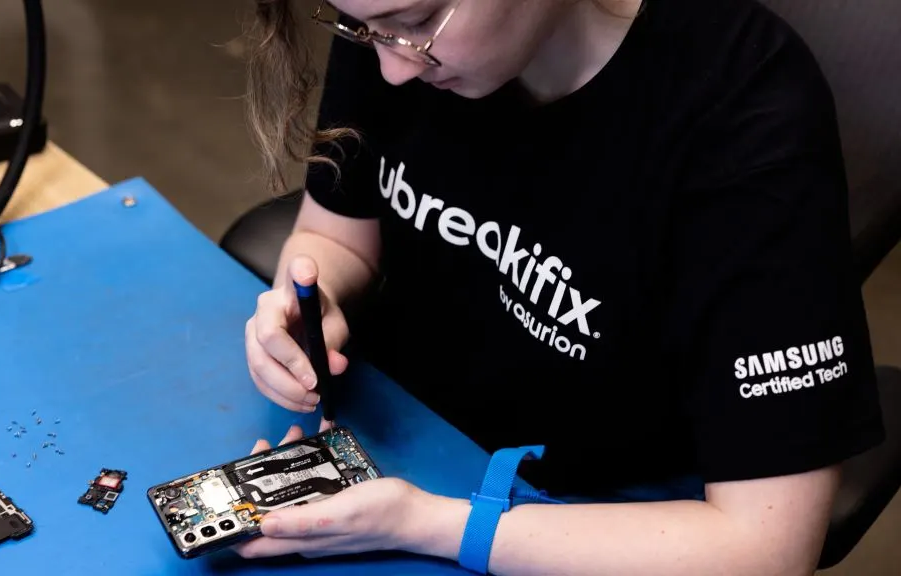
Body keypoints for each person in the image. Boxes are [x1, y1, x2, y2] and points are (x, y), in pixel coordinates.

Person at [236, 0, 886, 573]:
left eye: (419, 21)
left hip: (597, 512)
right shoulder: (389, 36)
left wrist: (429, 524)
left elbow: (766, 549)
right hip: (406, 436)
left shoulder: (745, 108)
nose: (393, 71)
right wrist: (309, 304)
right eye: (360, 25)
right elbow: (338, 237)